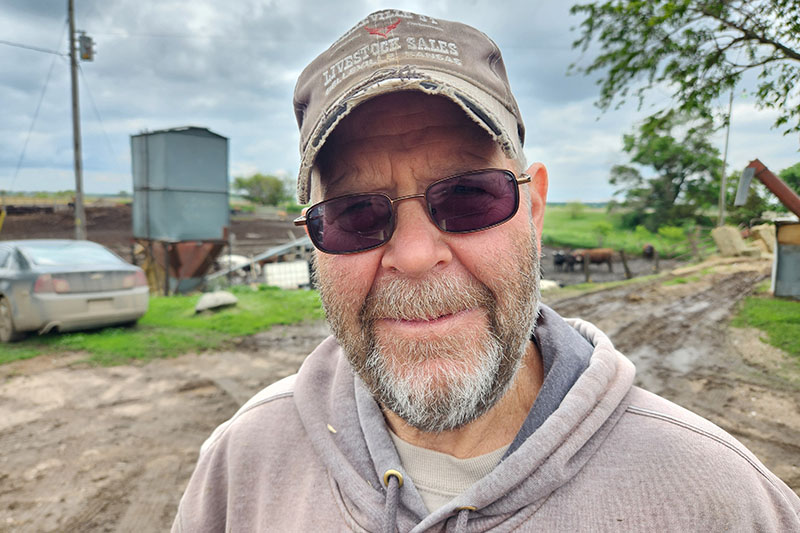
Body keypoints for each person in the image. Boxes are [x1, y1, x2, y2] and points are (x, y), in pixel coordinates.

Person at [173, 9, 800, 532]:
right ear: (313, 236)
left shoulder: (718, 496)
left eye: (470, 196)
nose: (417, 257)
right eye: (355, 213)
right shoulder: (241, 466)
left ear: (535, 209)